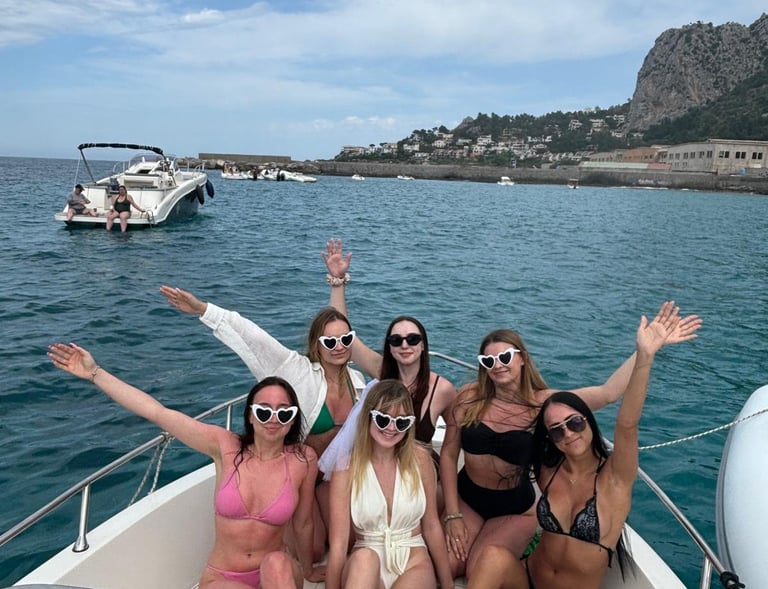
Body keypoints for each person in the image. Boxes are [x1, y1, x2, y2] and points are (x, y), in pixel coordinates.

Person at [439, 301, 702, 581]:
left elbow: (608, 393)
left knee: (478, 570)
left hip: (514, 507)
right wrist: (452, 514)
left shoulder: (546, 405)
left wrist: (644, 351)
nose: (497, 365)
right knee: (450, 565)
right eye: (488, 361)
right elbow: (449, 454)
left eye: (504, 357)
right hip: (468, 498)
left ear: (522, 358)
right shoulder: (469, 397)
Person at [46, 343, 325, 589]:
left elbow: (303, 523)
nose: (273, 419)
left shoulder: (303, 459)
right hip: (222, 577)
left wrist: (309, 569)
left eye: (283, 412)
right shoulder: (225, 446)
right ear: (250, 417)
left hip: (274, 575)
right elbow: (158, 413)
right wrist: (95, 373)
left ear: (292, 419)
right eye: (264, 411)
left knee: (277, 562)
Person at [160, 285, 367, 558]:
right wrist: (203, 310)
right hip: (295, 478)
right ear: (316, 344)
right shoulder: (297, 371)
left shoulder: (358, 383)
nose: (339, 347)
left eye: (345, 339)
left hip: (333, 478)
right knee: (315, 550)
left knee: (351, 541)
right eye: (330, 342)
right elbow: (252, 336)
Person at [321, 238, 458, 462]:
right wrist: (337, 282)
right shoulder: (381, 371)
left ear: (423, 345)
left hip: (420, 469)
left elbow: (454, 441)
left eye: (412, 339)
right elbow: (345, 337)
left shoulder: (442, 389)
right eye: (396, 340)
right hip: (378, 466)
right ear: (389, 347)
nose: (405, 345)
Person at [326, 379, 454, 589]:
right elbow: (338, 546)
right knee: (365, 559)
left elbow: (431, 525)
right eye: (383, 419)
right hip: (366, 560)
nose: (391, 428)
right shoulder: (346, 469)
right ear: (368, 417)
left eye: (401, 422)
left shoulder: (421, 460)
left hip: (413, 560)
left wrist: (448, 584)